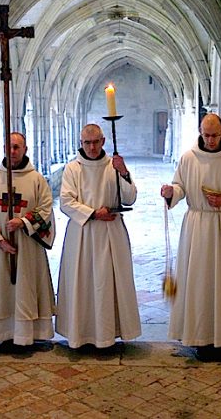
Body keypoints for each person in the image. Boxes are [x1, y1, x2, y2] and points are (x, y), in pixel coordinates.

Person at [161, 113, 221, 361]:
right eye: (206, 135)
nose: (210, 140)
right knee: (197, 280)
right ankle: (197, 335)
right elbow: (180, 186)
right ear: (200, 133)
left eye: (214, 135)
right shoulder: (188, 158)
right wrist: (171, 192)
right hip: (196, 227)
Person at [56, 123, 140, 350]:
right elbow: (66, 202)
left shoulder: (113, 166)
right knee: (82, 283)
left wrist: (124, 173)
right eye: (87, 143)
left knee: (107, 283)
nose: (92, 147)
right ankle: (81, 334)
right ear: (81, 143)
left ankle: (108, 335)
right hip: (82, 234)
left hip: (111, 233)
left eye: (95, 142)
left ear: (103, 141)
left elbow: (129, 198)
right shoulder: (72, 168)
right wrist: (93, 213)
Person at [0, 132, 56, 350]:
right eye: (9, 147)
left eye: (17, 147)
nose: (12, 151)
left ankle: (27, 333)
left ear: (25, 149)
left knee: (26, 288)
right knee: (0, 290)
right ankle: (0, 332)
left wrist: (23, 222)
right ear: (3, 148)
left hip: (27, 246)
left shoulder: (36, 179)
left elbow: (46, 209)